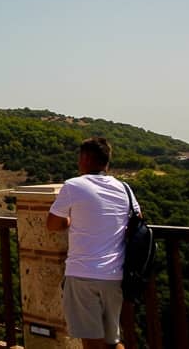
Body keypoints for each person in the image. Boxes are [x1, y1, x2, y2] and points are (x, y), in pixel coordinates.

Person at [47, 137, 136, 349]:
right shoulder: (124, 188)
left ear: (85, 159)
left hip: (83, 274)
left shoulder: (73, 186)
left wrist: (71, 220)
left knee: (91, 342)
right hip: (115, 275)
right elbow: (135, 222)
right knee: (111, 341)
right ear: (107, 162)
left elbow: (52, 224)